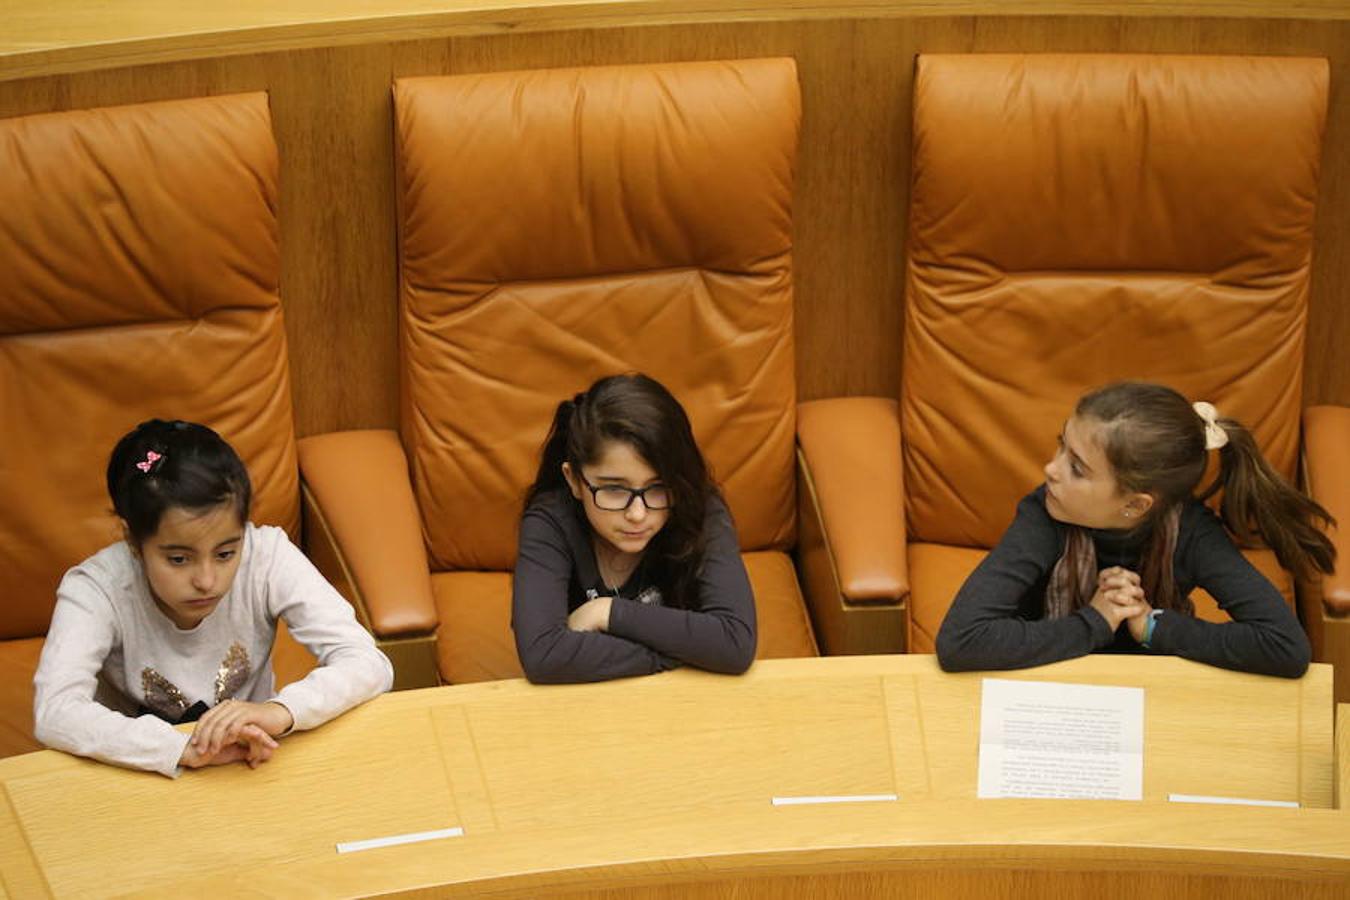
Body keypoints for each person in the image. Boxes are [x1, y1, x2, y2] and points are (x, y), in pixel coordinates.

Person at [33, 419, 393, 777]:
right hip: (138, 770)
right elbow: (56, 711)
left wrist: (279, 711)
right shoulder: (96, 589)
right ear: (133, 542)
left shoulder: (267, 556)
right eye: (178, 559)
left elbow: (366, 662)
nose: (207, 581)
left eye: (225, 554)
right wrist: (180, 748)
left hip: (254, 761)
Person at [936, 381, 1333, 678]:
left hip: (1155, 692)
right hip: (1047, 683)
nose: (1050, 470)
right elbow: (961, 641)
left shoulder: (1191, 532)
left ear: (1135, 505)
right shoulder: (1044, 513)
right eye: (1061, 446)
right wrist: (1094, 622)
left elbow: (1285, 647)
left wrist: (1153, 628)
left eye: (1076, 467)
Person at [512, 373, 757, 683]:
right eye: (614, 490)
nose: (638, 514)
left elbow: (735, 643)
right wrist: (686, 654)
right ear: (574, 480)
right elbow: (544, 656)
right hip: (584, 702)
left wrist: (609, 613)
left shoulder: (699, 508)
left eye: (657, 488)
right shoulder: (550, 520)